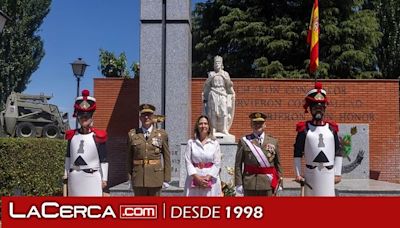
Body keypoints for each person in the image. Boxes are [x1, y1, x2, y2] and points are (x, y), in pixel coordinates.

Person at [293, 82, 343, 196]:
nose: (318, 110)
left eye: (321, 107)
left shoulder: (332, 128)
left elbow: (338, 151)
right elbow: (297, 153)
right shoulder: (304, 129)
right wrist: (298, 174)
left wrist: (338, 173)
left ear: (324, 109)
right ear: (310, 109)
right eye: (315, 108)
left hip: (328, 175)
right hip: (311, 174)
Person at [64, 89, 108, 196]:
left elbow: (104, 160)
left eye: (87, 116)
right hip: (74, 179)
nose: (84, 119)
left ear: (92, 116)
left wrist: (104, 178)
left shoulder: (98, 136)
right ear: (77, 117)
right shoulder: (72, 135)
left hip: (92, 178)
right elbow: (68, 157)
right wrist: (65, 175)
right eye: (81, 116)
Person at [127, 104, 171, 196]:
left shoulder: (161, 134)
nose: (146, 117)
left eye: (149, 115)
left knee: (155, 207)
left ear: (153, 117)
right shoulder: (133, 135)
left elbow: (167, 157)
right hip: (138, 178)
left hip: (156, 177)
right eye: (143, 115)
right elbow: (129, 158)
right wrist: (130, 178)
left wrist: (167, 178)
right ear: (140, 118)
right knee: (140, 207)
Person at [234, 112, 281, 196]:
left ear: (265, 125)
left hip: (268, 183)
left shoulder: (274, 141)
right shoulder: (244, 141)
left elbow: (278, 164)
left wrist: (280, 181)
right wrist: (239, 183)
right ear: (251, 125)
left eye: (260, 123)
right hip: (249, 183)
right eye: (255, 123)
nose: (257, 125)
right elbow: (238, 164)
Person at [184, 115, 222, 196]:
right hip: (194, 177)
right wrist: (197, 177)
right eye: (200, 124)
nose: (203, 126)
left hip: (210, 178)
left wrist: (208, 177)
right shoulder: (191, 143)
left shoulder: (215, 143)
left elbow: (217, 163)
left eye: (205, 123)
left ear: (209, 126)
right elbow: (188, 162)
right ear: (197, 126)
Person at [202, 55, 235, 135]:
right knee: (213, 112)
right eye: (216, 62)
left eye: (219, 62)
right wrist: (210, 78)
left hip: (222, 93)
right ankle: (213, 129)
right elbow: (206, 85)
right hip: (213, 93)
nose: (217, 64)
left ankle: (224, 129)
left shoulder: (225, 73)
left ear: (221, 64)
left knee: (224, 111)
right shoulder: (211, 74)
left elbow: (229, 85)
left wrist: (226, 79)